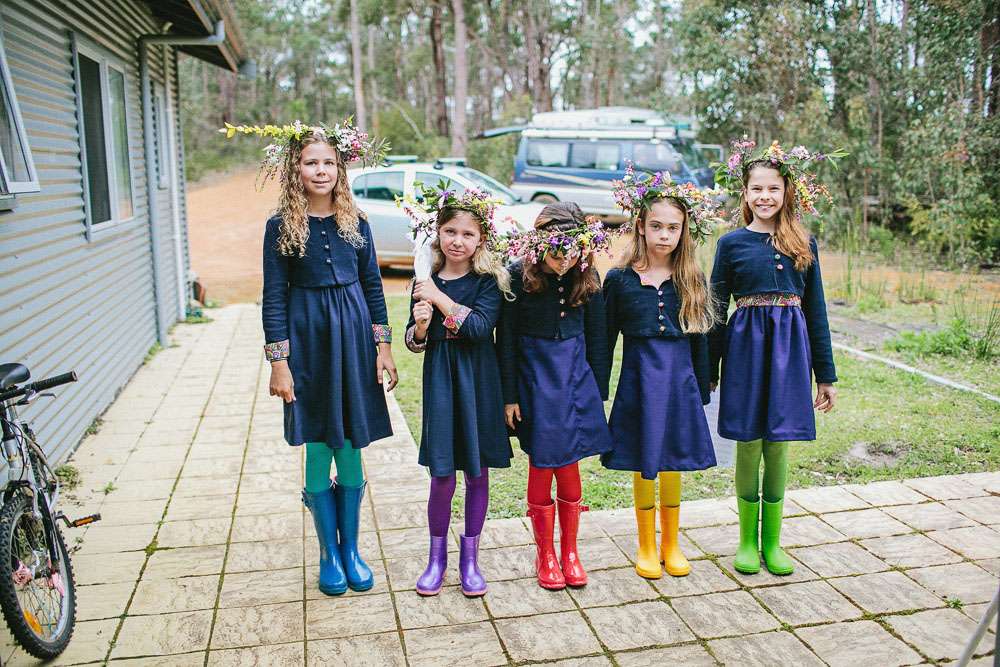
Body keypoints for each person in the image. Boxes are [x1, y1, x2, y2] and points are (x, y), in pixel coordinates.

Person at [234, 119, 396, 596]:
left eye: (329, 162)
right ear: (296, 169)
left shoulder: (357, 222)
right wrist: (279, 362)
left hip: (354, 341)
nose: (321, 170)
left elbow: (372, 286)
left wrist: (384, 346)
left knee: (351, 441)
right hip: (307, 343)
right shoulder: (281, 227)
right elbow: (274, 297)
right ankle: (328, 552)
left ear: (340, 168)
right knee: (319, 440)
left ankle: (352, 550)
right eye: (311, 162)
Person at [710, 140, 843, 575]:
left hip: (790, 352)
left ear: (787, 193)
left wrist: (826, 375)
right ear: (745, 193)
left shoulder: (804, 243)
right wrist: (708, 369)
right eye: (757, 189)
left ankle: (772, 541)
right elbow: (715, 311)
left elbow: (816, 311)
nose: (765, 196)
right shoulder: (731, 244)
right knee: (748, 441)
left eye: (773, 188)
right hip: (746, 351)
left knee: (779, 442)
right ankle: (747, 541)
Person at [603, 167, 721, 578]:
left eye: (673, 228)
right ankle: (646, 545)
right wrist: (597, 389)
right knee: (644, 456)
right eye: (656, 226)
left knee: (672, 458)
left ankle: (671, 542)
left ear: (684, 230)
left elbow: (700, 337)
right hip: (639, 380)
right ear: (641, 225)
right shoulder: (619, 280)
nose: (665, 235)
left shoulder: (691, 277)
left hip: (679, 382)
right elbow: (604, 338)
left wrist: (702, 388)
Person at [400, 182, 514, 597]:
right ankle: (436, 559)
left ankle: (470, 561)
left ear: (481, 238)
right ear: (437, 233)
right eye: (450, 231)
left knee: (477, 472)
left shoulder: (488, 281)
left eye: (468, 234)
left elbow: (480, 329)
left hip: (479, 380)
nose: (457, 241)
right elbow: (414, 341)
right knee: (443, 474)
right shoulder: (424, 279)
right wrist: (421, 325)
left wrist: (440, 300)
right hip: (442, 379)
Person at [497, 203, 615, 589]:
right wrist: (510, 396)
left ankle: (571, 552)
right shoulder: (518, 276)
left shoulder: (587, 275)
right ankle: (545, 552)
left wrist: (596, 390)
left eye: (572, 251)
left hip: (575, 378)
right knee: (543, 461)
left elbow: (599, 337)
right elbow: (505, 340)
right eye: (556, 250)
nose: (564, 260)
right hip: (534, 380)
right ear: (538, 244)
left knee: (570, 463)